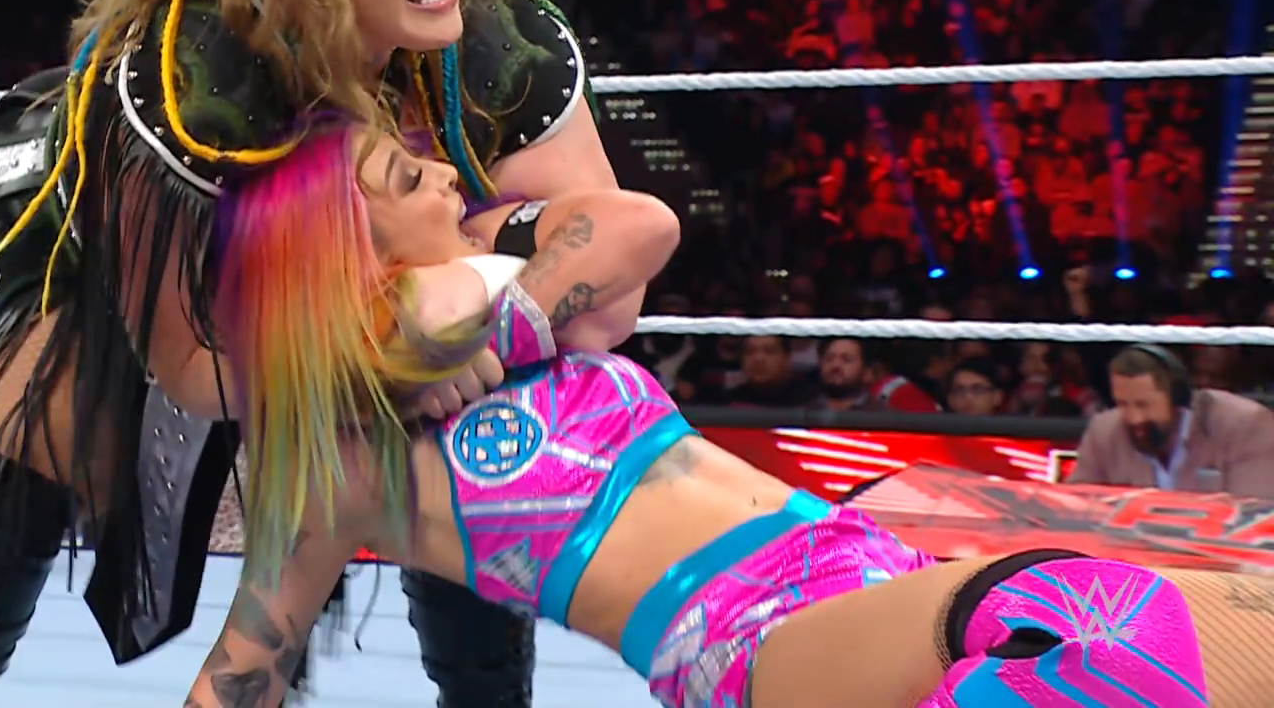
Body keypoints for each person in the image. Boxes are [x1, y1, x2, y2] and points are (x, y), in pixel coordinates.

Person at [0, 0, 682, 708]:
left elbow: (611, 292)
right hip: (105, 280)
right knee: (31, 412)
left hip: (347, 296)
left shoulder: (504, 43)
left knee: (487, 387)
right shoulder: (188, 83)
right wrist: (399, 347)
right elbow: (191, 364)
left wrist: (462, 321)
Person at [181, 125, 1246, 708]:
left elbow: (641, 224)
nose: (446, 174)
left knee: (1251, 623)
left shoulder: (510, 294)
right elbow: (244, 668)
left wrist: (497, 324)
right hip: (751, 634)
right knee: (1107, 624)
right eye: (408, 175)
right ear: (341, 243)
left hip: (866, 568)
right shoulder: (346, 452)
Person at [1069, 344, 1274, 499]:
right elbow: (1075, 507)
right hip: (1124, 544)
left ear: (1177, 397)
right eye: (1123, 404)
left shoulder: (1246, 427)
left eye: (1143, 405)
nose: (1134, 418)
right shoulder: (1104, 432)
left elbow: (1254, 514)